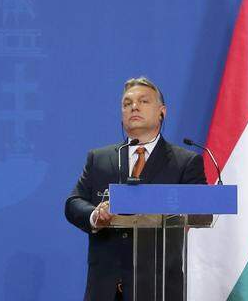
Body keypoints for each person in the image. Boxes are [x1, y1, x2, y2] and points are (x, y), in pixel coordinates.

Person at [65, 77, 207, 301]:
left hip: (159, 287)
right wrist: (96, 215)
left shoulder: (185, 162)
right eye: (127, 103)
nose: (134, 107)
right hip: (105, 289)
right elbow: (74, 203)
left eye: (143, 101)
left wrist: (150, 205)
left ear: (162, 112)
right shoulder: (99, 159)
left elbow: (201, 209)